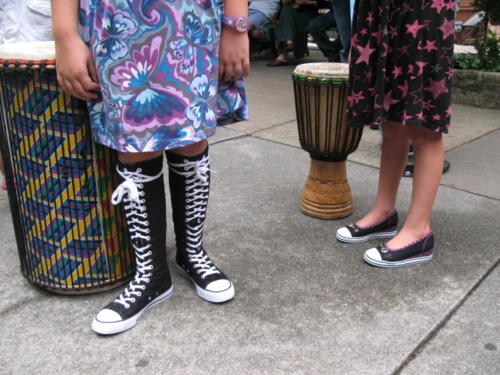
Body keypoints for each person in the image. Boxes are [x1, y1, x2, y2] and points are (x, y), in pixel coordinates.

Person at [51, 0, 249, 335]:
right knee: (134, 144)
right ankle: (152, 274)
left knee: (191, 135)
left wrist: (236, 26)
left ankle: (192, 253)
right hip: (117, 23)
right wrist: (64, 34)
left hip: (191, 18)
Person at [336, 0, 455, 268]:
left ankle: (419, 231)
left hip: (423, 7)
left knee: (424, 122)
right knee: (390, 119)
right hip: (377, 9)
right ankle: (384, 212)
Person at [267, 0, 328, 66]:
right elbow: (283, 3)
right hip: (292, 10)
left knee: (290, 20)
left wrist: (306, 2)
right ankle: (289, 42)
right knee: (286, 10)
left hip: (309, 12)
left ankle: (284, 52)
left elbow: (323, 3)